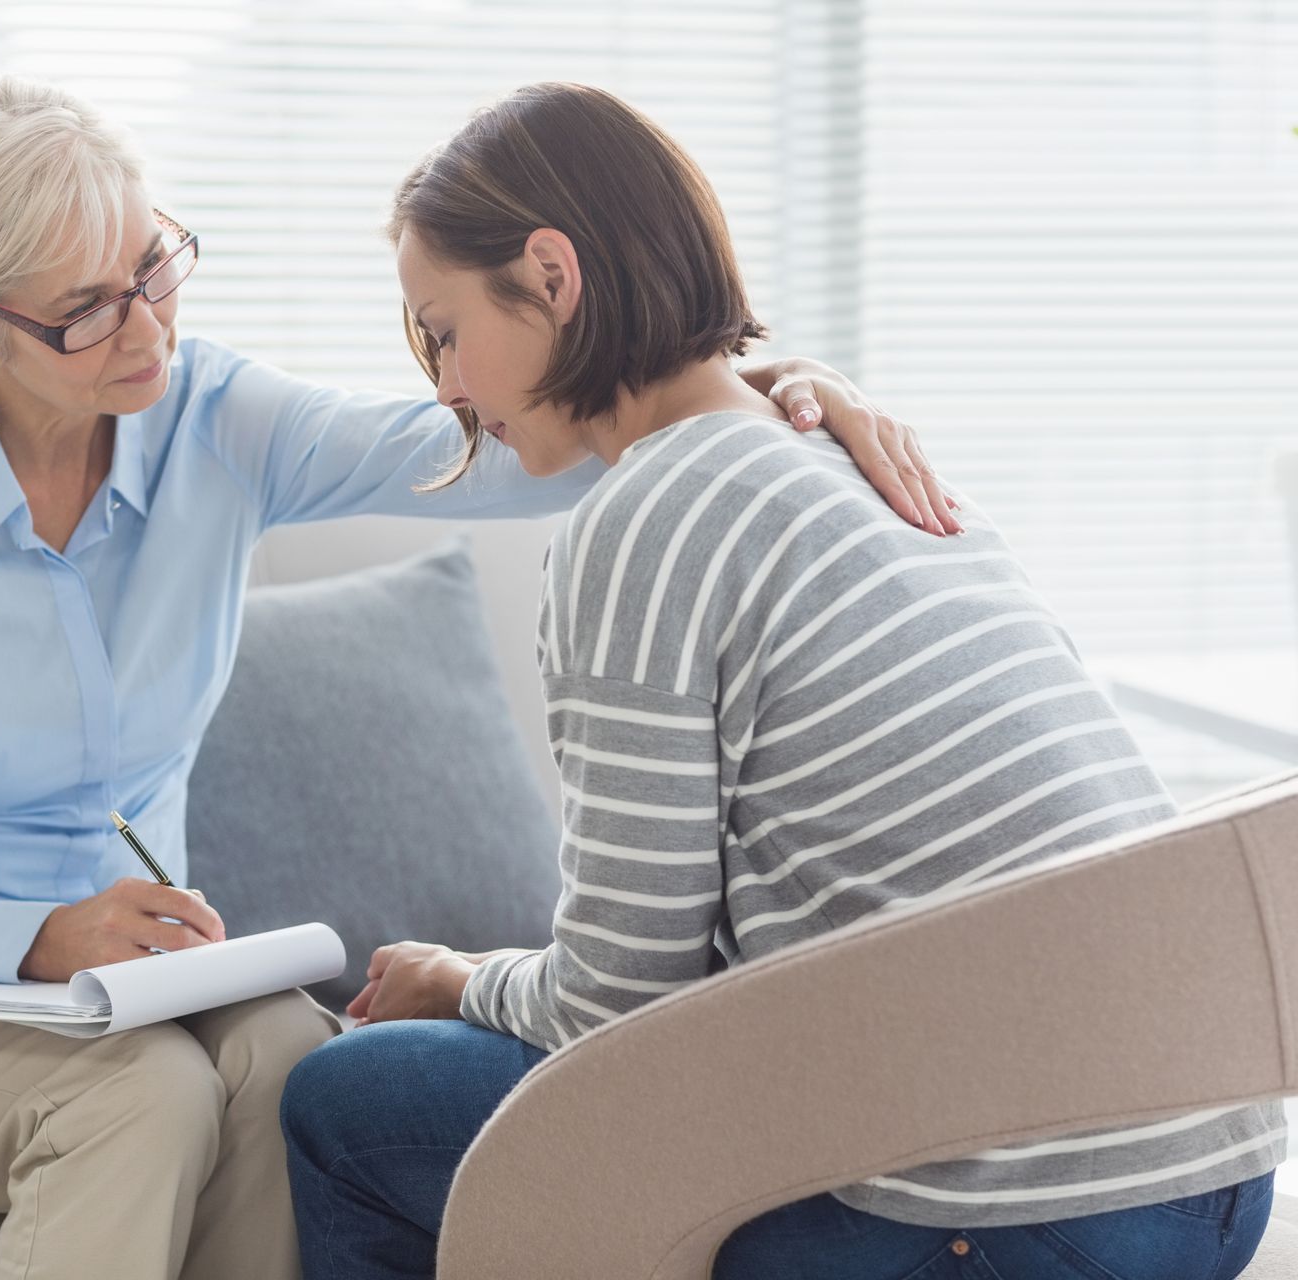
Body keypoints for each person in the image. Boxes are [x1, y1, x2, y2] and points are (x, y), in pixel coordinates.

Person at [0, 75, 949, 1280]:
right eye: (87, 308)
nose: (147, 329)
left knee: (297, 1061)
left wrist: (771, 388)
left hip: (112, 989)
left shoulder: (213, 419)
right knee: (136, 1099)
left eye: (152, 268)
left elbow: (525, 438)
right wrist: (35, 935)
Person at [279, 81, 1284, 1280]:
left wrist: (459, 979)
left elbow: (615, 1006)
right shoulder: (855, 455)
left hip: (1017, 1209)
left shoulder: (642, 521)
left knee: (344, 1101)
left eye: (441, 330)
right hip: (1217, 1168)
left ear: (551, 276)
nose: (444, 386)